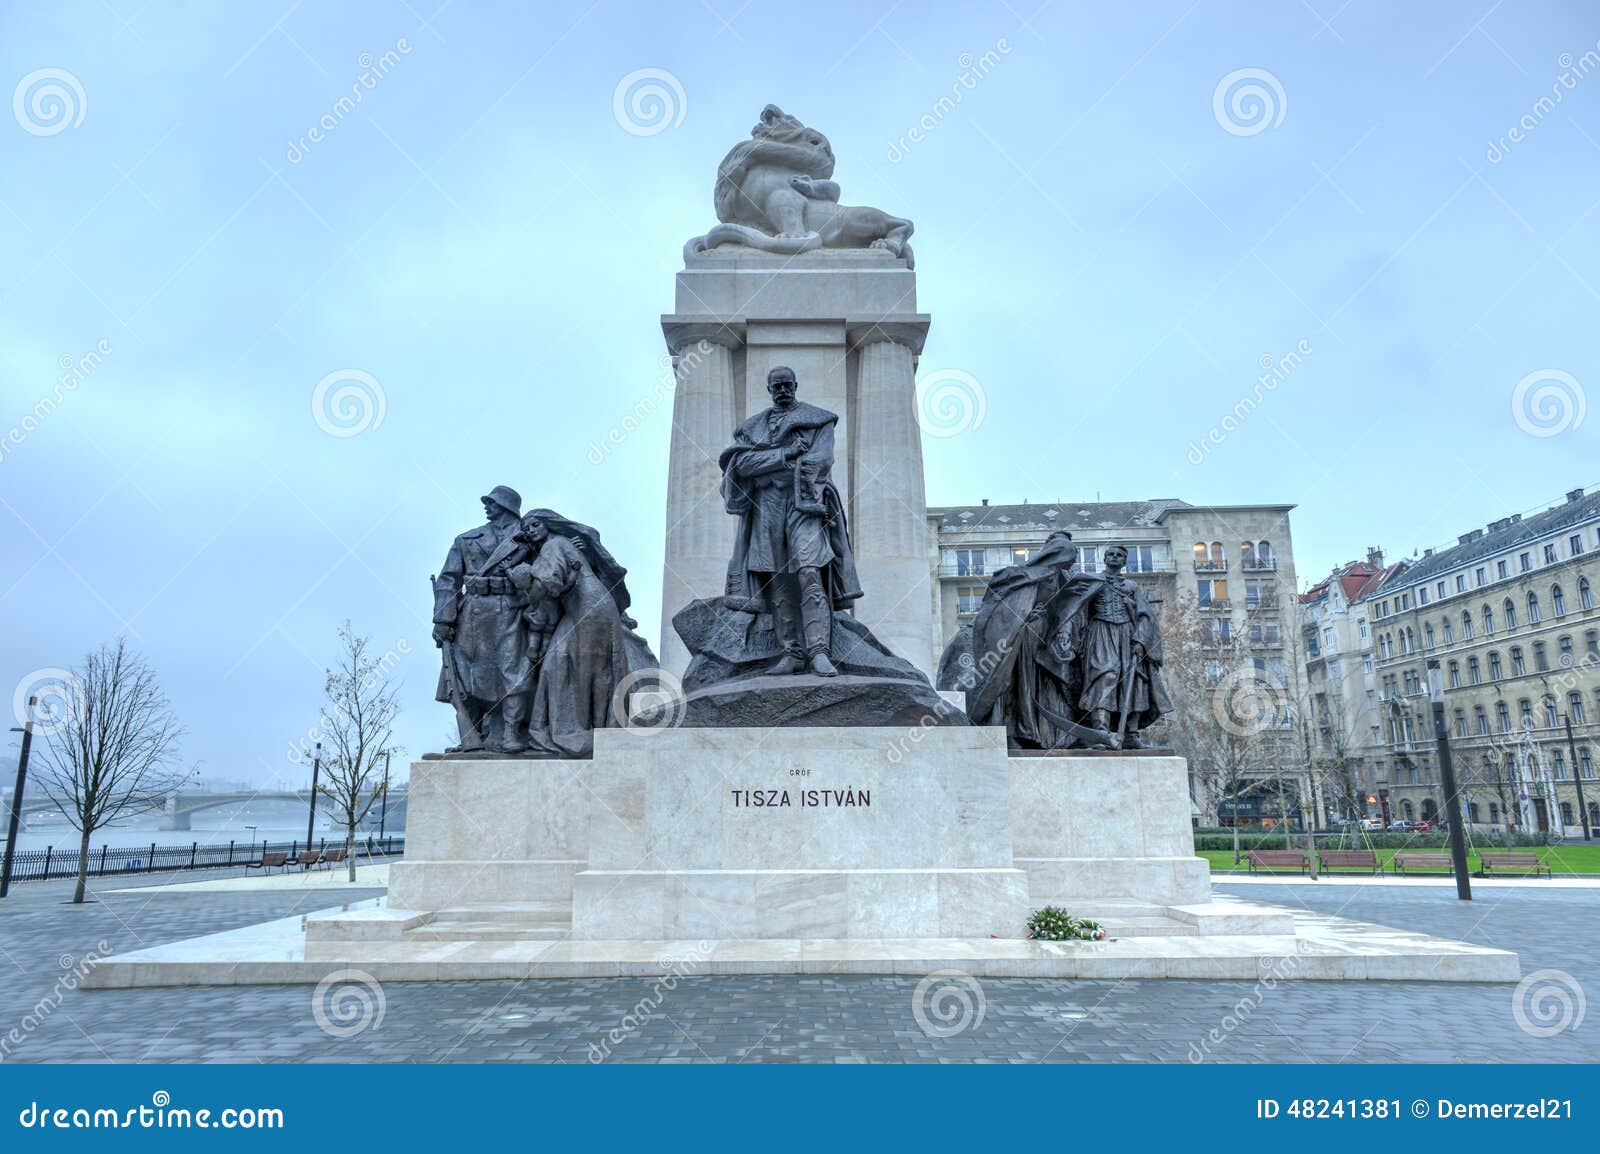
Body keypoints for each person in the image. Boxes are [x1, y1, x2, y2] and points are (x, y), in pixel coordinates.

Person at [717, 365, 862, 677]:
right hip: (766, 506)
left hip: (804, 505)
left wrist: (768, 463)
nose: (782, 390)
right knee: (777, 578)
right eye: (776, 386)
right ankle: (791, 653)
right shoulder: (751, 427)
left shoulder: (819, 420)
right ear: (769, 389)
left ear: (796, 385)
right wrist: (785, 454)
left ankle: (819, 651)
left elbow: (820, 460)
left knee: (810, 572)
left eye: (787, 385)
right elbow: (741, 464)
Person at [507, 510, 659, 757]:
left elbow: (549, 581)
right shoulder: (562, 544)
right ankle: (596, 729)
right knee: (561, 663)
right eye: (527, 528)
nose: (531, 530)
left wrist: (522, 594)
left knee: (590, 668)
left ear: (548, 525)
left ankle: (592, 733)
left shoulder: (554, 544)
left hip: (589, 607)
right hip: (588, 606)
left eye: (535, 524)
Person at [431, 485, 537, 753]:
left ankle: (512, 733)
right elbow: (448, 581)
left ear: (507, 507)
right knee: (466, 674)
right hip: (473, 611)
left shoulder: (530, 538)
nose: (487, 506)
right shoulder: (466, 540)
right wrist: (444, 620)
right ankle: (475, 734)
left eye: (493, 503)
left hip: (512, 608)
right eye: (488, 503)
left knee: (513, 671)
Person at [1075, 544, 1170, 748]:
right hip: (1100, 632)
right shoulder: (1093, 582)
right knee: (1104, 676)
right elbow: (1078, 610)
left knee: (1134, 680)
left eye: (1119, 555)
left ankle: (1131, 733)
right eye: (1111, 554)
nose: (1115, 557)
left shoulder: (1132, 587)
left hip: (1127, 635)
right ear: (1104, 559)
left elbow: (1145, 616)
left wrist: (1141, 640)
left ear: (1124, 561)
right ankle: (1100, 730)